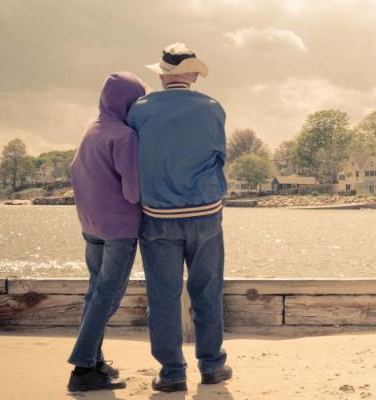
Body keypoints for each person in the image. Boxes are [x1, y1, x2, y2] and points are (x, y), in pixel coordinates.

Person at [127, 42, 231, 393]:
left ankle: (172, 372)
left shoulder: (139, 110)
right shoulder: (213, 108)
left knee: (164, 295)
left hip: (157, 216)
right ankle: (212, 365)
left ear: (162, 75)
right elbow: (219, 156)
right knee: (207, 290)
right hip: (205, 214)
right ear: (191, 74)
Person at [66, 72, 147, 392]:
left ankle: (96, 360)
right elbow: (132, 193)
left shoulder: (91, 129)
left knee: (94, 292)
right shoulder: (124, 136)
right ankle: (83, 368)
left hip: (90, 225)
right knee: (108, 296)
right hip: (119, 229)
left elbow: (75, 171)